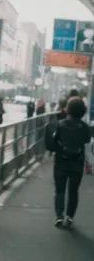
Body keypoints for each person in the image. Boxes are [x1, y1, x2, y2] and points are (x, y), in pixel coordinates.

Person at [47, 97, 91, 229]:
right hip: (77, 163)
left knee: (60, 190)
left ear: (68, 109)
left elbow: (53, 143)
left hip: (61, 162)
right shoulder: (84, 127)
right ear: (83, 111)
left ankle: (59, 216)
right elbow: (87, 141)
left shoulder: (59, 124)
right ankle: (69, 216)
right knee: (73, 191)